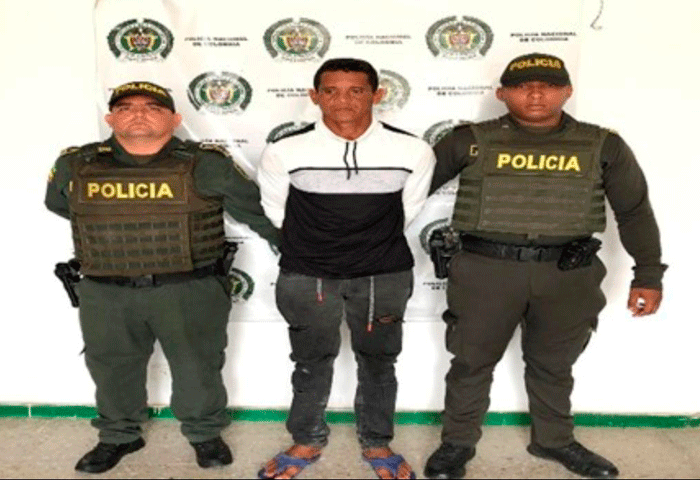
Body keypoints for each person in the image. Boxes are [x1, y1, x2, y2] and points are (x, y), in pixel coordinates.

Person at [423, 53, 666, 479]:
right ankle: (456, 444)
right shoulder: (468, 141)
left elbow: (634, 212)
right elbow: (407, 193)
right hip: (486, 271)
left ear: (567, 91)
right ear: (502, 93)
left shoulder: (603, 145)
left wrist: (648, 274)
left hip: (567, 273)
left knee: (554, 365)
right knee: (471, 363)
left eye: (549, 85)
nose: (536, 94)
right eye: (523, 86)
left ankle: (554, 441)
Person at [45, 81, 279, 473]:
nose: (138, 114)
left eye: (152, 107)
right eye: (126, 108)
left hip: (189, 288)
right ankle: (119, 436)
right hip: (106, 291)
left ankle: (204, 434)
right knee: (111, 366)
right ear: (110, 119)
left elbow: (256, 212)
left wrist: (303, 252)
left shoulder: (206, 164)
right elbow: (59, 204)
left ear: (175, 119)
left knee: (197, 365)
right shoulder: (76, 164)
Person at [256, 58, 435, 480]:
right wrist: (322, 246)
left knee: (379, 361)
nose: (343, 101)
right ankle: (306, 438)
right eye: (331, 91)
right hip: (308, 274)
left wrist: (363, 245)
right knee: (310, 360)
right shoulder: (285, 150)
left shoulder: (413, 150)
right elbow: (276, 212)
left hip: (383, 274)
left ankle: (377, 442)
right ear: (315, 96)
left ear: (377, 95)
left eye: (356, 90)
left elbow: (407, 210)